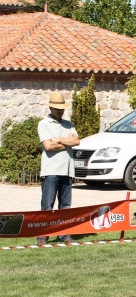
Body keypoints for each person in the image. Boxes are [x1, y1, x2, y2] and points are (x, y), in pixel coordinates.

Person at [36, 92, 80, 246]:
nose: (60, 111)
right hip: (50, 170)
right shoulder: (44, 124)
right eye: (57, 109)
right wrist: (67, 142)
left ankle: (64, 234)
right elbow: (48, 146)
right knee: (47, 205)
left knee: (65, 206)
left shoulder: (69, 124)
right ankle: (43, 236)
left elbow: (76, 141)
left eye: (61, 109)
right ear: (50, 107)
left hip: (67, 170)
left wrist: (59, 140)